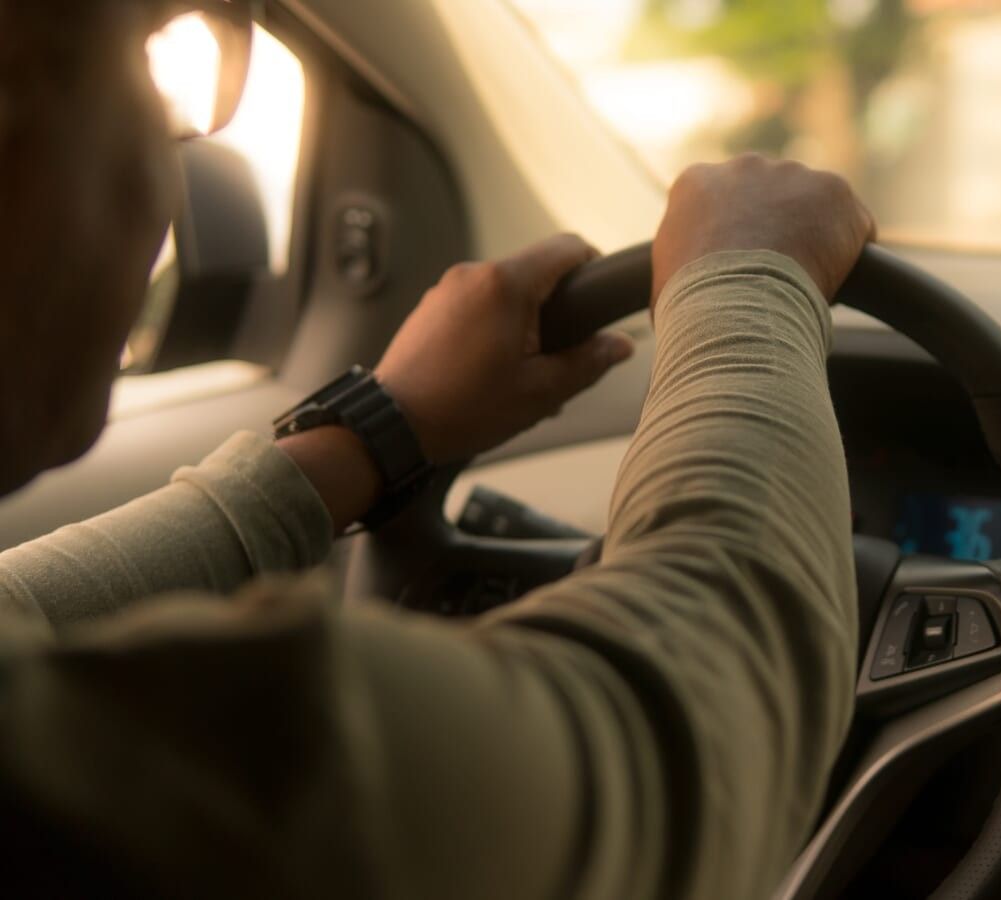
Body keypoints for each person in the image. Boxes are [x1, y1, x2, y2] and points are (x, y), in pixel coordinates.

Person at [0, 1, 875, 897]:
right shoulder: (147, 780)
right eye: (146, 59)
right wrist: (747, 285)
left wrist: (382, 429)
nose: (176, 162)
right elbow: (671, 746)